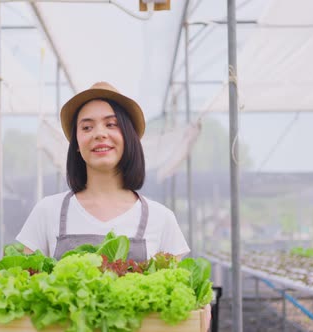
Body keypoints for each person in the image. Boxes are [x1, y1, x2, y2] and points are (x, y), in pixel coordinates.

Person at [16, 81, 211, 330]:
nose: (99, 133)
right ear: (76, 143)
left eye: (111, 124)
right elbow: (22, 286)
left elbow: (182, 302)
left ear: (128, 137)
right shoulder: (47, 211)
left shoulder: (160, 218)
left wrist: (200, 313)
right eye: (87, 127)